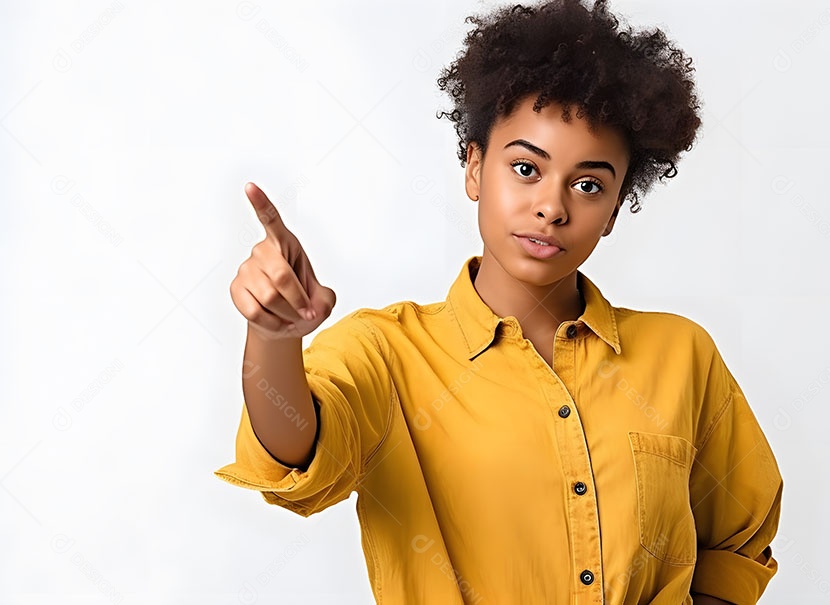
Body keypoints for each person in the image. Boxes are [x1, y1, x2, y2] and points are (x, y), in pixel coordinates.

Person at [214, 1, 783, 603]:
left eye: (589, 185)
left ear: (615, 210)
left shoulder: (681, 355)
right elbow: (295, 452)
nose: (553, 207)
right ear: (475, 167)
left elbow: (736, 544)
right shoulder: (387, 353)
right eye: (525, 168)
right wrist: (274, 336)